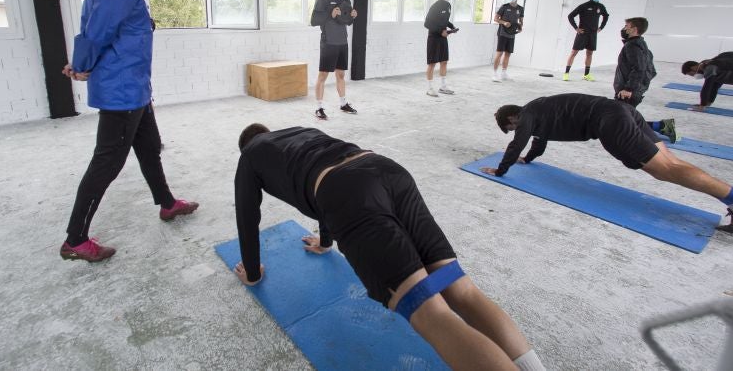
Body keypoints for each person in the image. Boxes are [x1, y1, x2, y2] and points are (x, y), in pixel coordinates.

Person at [234, 125, 546, 371]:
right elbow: (323, 185)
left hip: (348, 192)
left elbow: (247, 214)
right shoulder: (301, 132)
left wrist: (252, 272)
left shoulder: (250, 155)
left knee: (429, 311)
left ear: (245, 144)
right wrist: (326, 242)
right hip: (387, 169)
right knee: (461, 291)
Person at [59, 0, 199, 262]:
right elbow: (98, 29)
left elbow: (116, 23)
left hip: (134, 85)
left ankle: (167, 204)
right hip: (122, 88)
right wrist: (81, 65)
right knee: (107, 162)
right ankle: (75, 239)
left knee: (149, 147)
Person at [482, 94, 733, 236]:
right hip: (621, 111)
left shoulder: (528, 114)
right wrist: (528, 160)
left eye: (510, 127)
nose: (516, 130)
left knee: (663, 170)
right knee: (670, 162)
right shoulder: (541, 111)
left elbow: (517, 142)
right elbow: (537, 141)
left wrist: (501, 169)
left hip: (611, 122)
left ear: (512, 120)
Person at [612, 18, 678, 143]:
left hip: (628, 91)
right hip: (634, 89)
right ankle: (662, 126)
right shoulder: (639, 44)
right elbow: (651, 70)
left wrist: (629, 88)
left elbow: (639, 68)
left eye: (627, 26)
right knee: (625, 118)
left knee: (622, 119)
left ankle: (662, 126)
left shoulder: (633, 46)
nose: (624, 29)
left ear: (634, 29)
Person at [311, 0, 358, 120]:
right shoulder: (322, 0)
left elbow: (347, 22)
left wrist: (352, 16)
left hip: (342, 42)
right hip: (328, 42)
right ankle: (318, 108)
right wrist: (330, 14)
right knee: (323, 75)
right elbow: (313, 21)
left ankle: (343, 104)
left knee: (341, 74)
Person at [563, 0, 608, 81]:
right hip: (582, 33)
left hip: (593, 34)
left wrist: (601, 27)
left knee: (589, 53)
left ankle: (586, 75)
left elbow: (606, 16)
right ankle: (566, 73)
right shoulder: (584, 6)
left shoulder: (601, 7)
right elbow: (570, 16)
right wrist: (576, 28)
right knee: (574, 52)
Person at [424, 0, 458, 97]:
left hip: (443, 38)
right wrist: (440, 31)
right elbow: (427, 23)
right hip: (434, 38)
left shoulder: (448, 5)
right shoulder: (435, 6)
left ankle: (443, 87)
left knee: (444, 61)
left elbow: (445, 19)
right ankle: (429, 88)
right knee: (432, 63)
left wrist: (451, 26)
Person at [492, 0, 524, 82]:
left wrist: (520, 27)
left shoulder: (520, 9)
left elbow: (520, 21)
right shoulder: (504, 7)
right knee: (499, 53)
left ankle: (504, 73)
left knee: (508, 54)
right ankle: (494, 74)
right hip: (502, 33)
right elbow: (495, 18)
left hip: (512, 34)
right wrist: (504, 22)